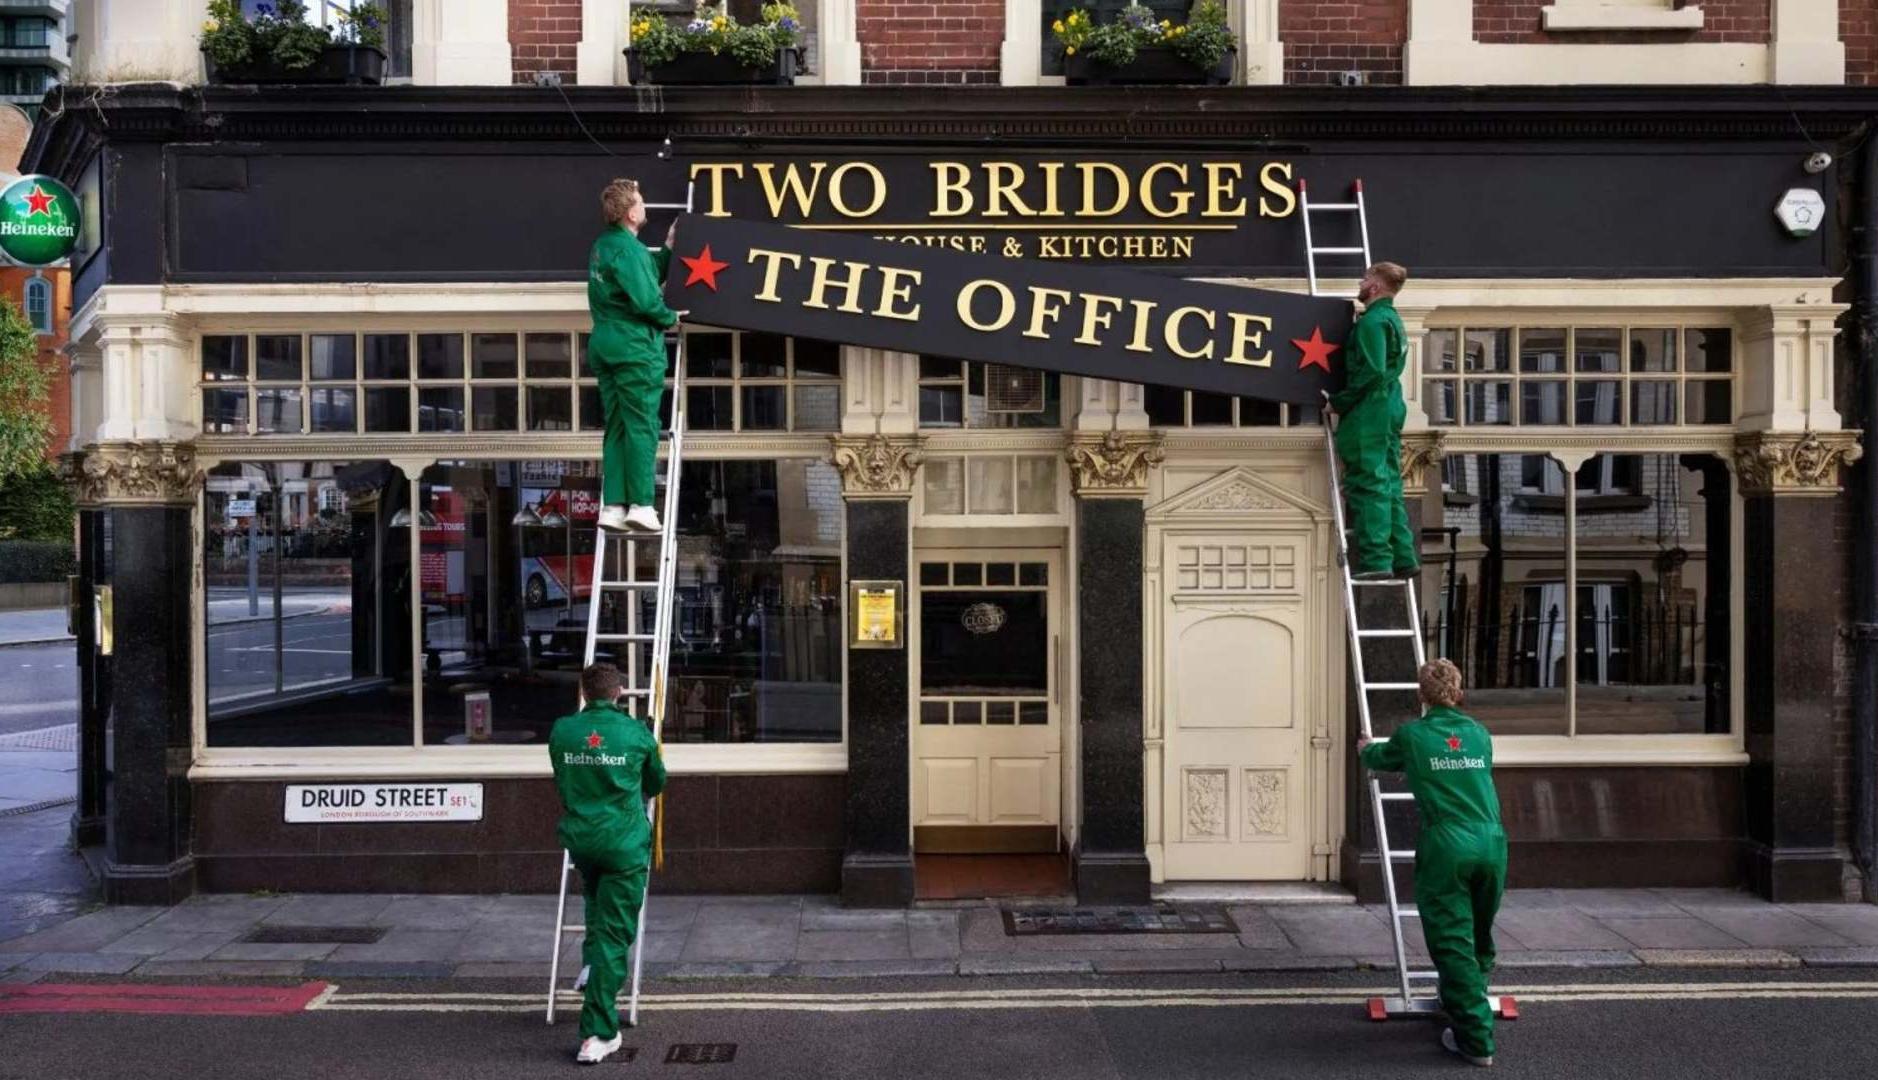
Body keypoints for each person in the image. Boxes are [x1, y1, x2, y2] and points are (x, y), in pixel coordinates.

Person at [1358, 658, 1506, 1068]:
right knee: (1479, 931)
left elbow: (1380, 758)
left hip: (1448, 842)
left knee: (1452, 939)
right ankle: (1465, 994)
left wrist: (1366, 749)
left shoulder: (1413, 736)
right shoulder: (1479, 734)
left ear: (1421, 695)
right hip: (1493, 841)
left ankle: (1475, 1039)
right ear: (1460, 693)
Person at [548, 661, 667, 1065]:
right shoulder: (636, 733)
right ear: (618, 693)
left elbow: (563, 778)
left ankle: (590, 965)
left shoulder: (563, 731)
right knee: (615, 937)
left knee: (595, 899)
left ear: (584, 693)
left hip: (582, 841)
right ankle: (597, 1033)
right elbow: (656, 783)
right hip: (623, 844)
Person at [589, 178, 685, 534]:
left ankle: (613, 506)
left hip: (605, 343)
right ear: (631, 213)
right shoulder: (629, 250)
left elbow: (644, 273)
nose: (645, 207)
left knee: (616, 425)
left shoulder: (605, 245)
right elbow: (646, 300)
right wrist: (670, 317)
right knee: (643, 425)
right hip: (634, 348)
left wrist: (669, 249)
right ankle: (642, 505)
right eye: (641, 202)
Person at [1328, 261, 1417, 580]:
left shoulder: (1372, 323)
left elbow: (1373, 371)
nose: (1360, 283)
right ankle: (1404, 556)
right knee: (1390, 482)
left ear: (1376, 286)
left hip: (1370, 410)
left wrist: (1339, 401)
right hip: (1390, 404)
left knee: (1368, 482)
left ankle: (1377, 559)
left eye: (1365, 279)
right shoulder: (1393, 320)